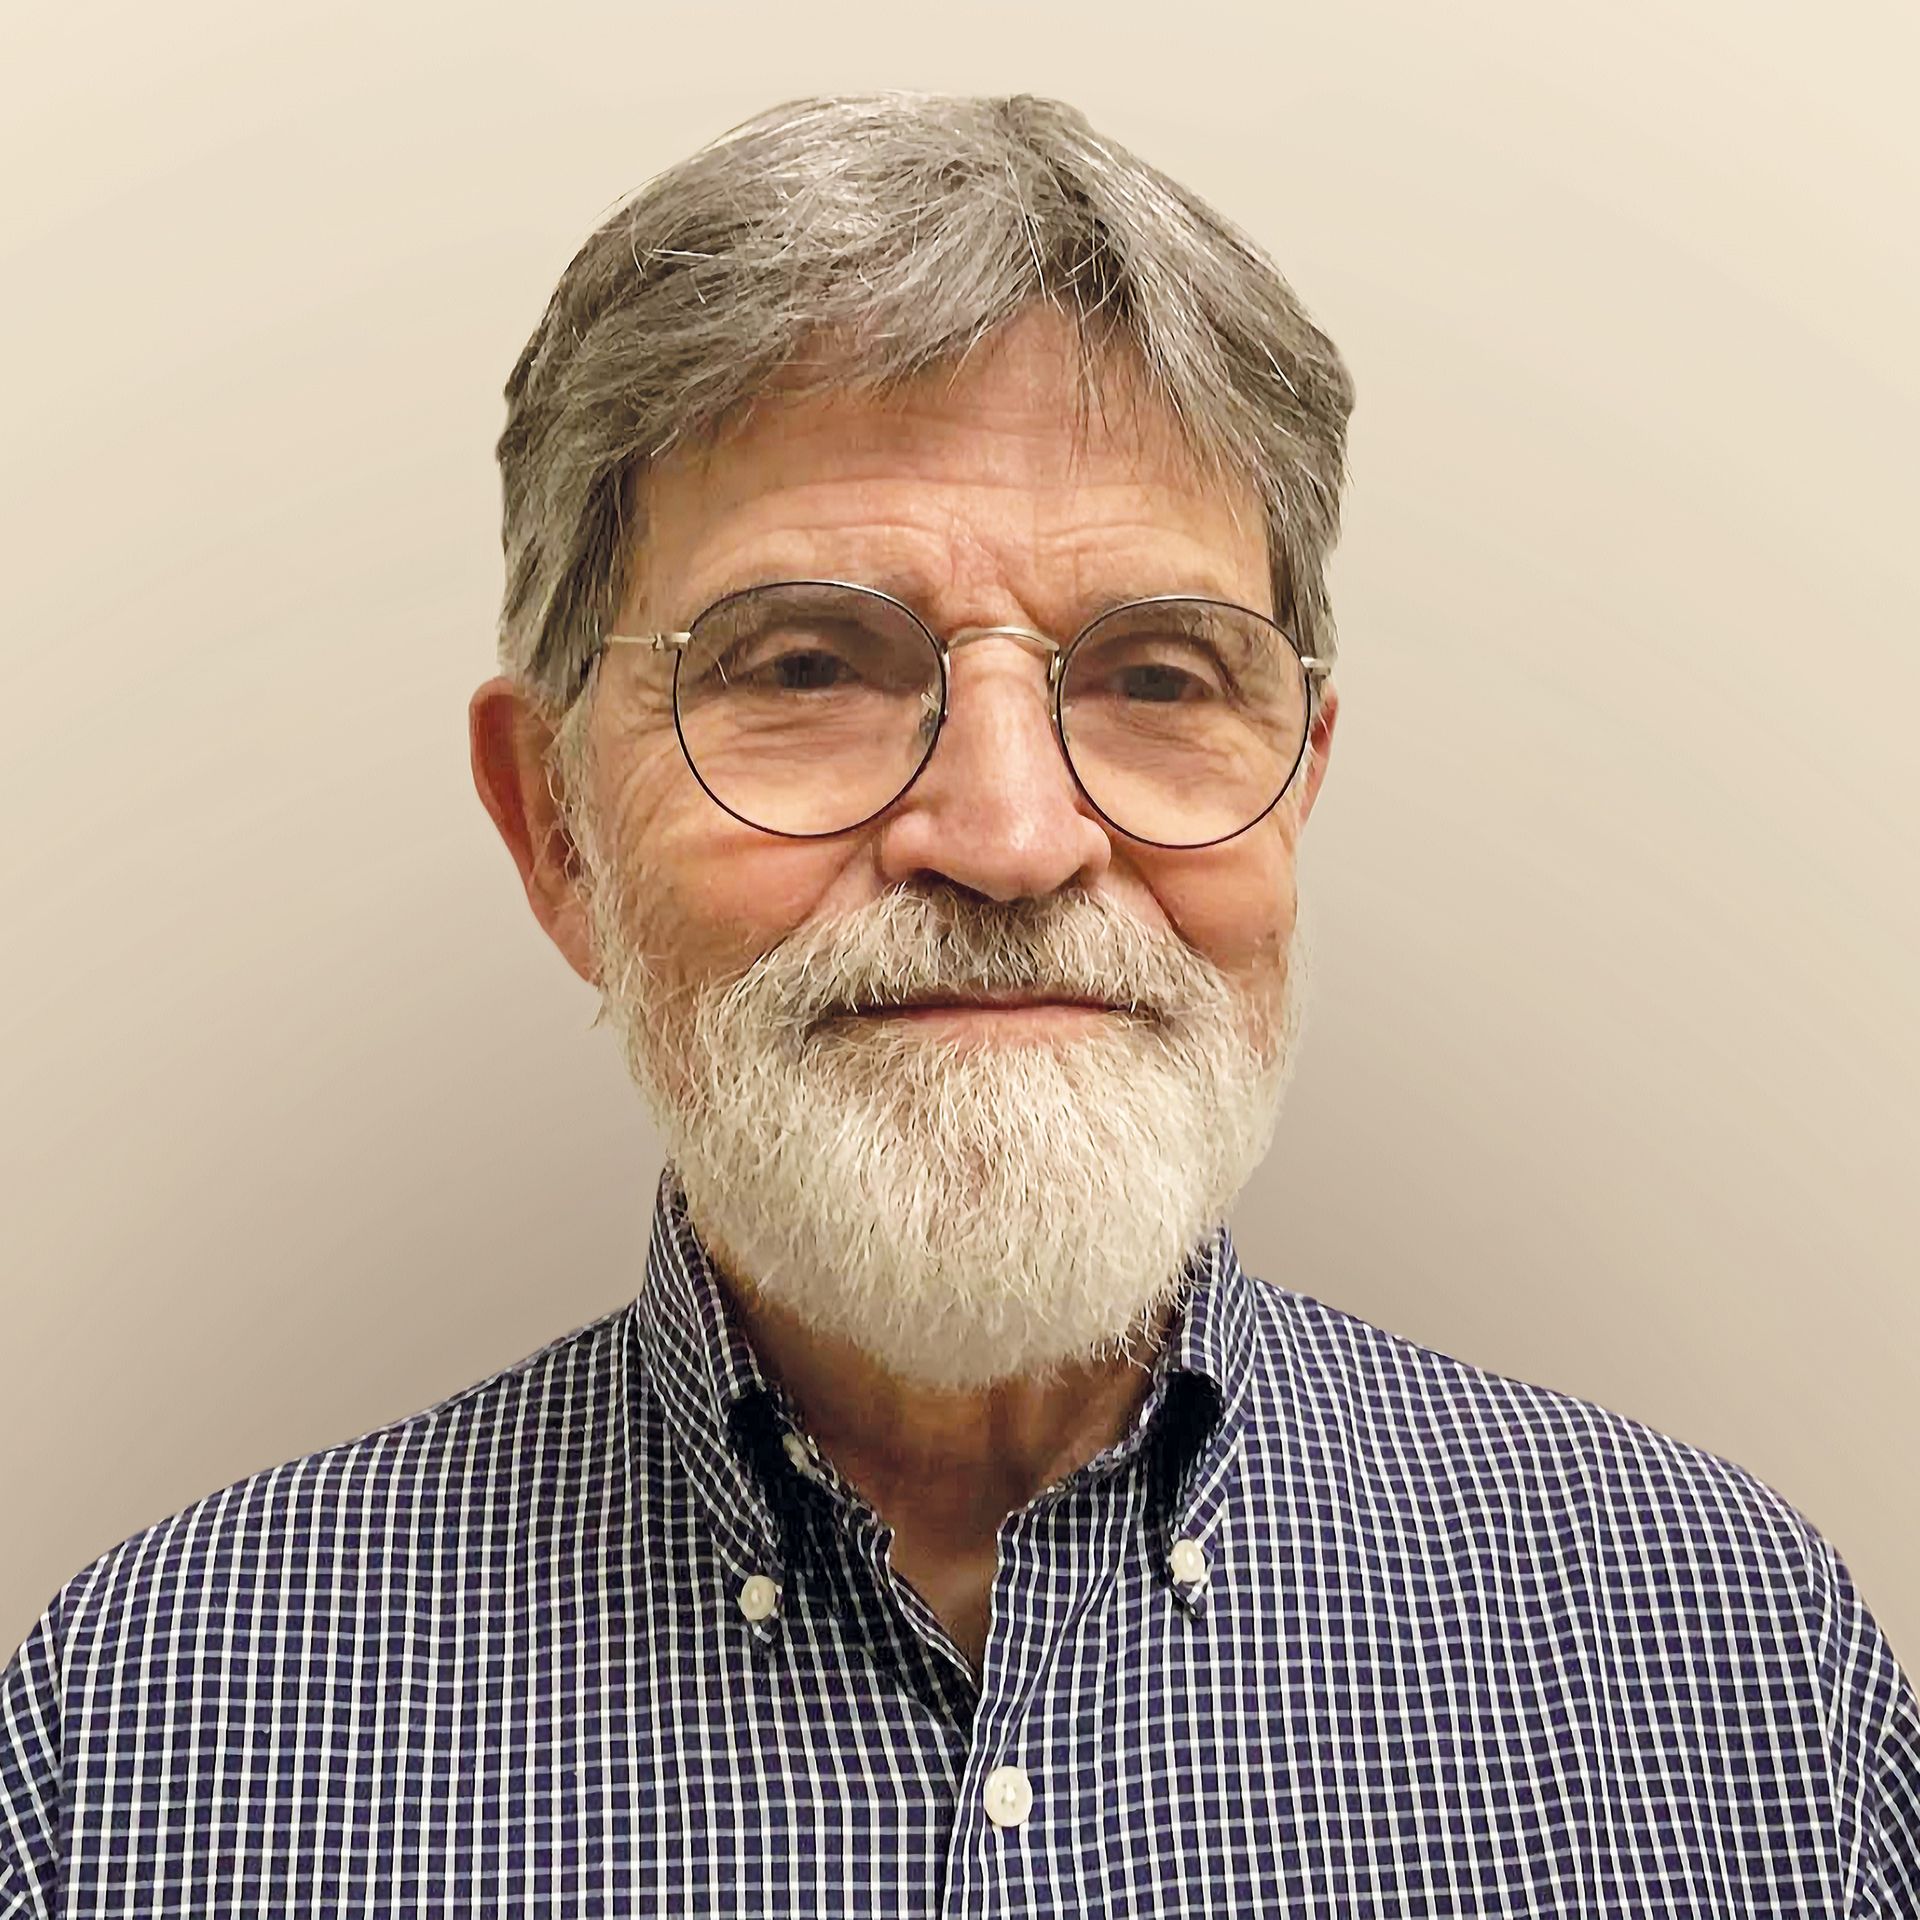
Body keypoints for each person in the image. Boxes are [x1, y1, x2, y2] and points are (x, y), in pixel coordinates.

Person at [1, 90, 1913, 1918]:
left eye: (1159, 680)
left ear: (1296, 789)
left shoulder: (1741, 1672)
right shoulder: (143, 1742)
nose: (1009, 837)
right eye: (807, 665)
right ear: (559, 830)